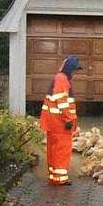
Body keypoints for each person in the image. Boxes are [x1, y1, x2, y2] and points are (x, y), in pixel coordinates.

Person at [39, 56, 80, 185]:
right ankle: (60, 179)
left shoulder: (60, 78)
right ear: (69, 69)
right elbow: (61, 101)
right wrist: (68, 119)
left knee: (53, 150)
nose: (75, 73)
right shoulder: (62, 79)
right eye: (74, 70)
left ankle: (54, 176)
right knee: (62, 150)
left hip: (53, 122)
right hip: (60, 124)